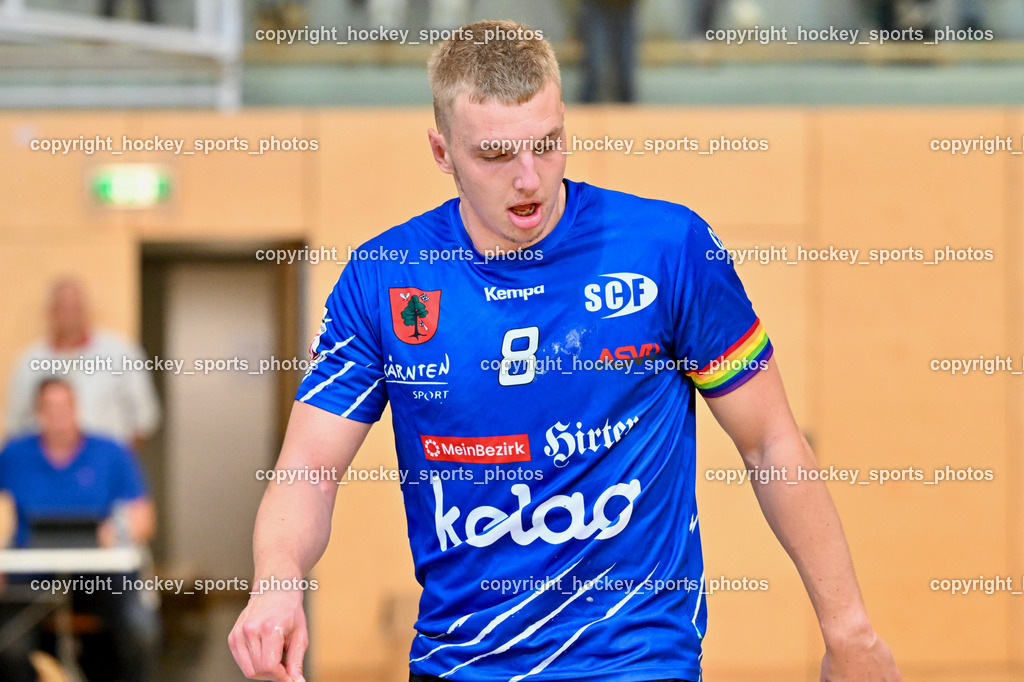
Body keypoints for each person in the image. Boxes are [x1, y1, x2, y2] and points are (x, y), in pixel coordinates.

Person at [230, 19, 902, 682]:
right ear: (442, 152)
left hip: (636, 662)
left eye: (548, 145)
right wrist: (276, 582)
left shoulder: (668, 249)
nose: (530, 178)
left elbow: (771, 443)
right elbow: (310, 467)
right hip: (461, 664)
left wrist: (850, 631)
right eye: (496, 155)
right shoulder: (385, 276)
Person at [0, 378, 159, 682]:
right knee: (10, 643)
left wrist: (113, 532)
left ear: (77, 408)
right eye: (50, 407)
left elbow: (144, 519)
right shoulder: (14, 455)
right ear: (38, 411)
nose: (59, 415)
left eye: (65, 406)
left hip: (102, 575)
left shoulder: (111, 452)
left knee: (140, 629)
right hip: (30, 578)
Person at [5, 278, 161, 451]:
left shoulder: (121, 353)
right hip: (45, 464)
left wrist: (116, 457)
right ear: (50, 312)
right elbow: (15, 426)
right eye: (63, 308)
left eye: (75, 308)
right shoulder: (29, 361)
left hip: (105, 462)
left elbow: (145, 418)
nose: (70, 316)